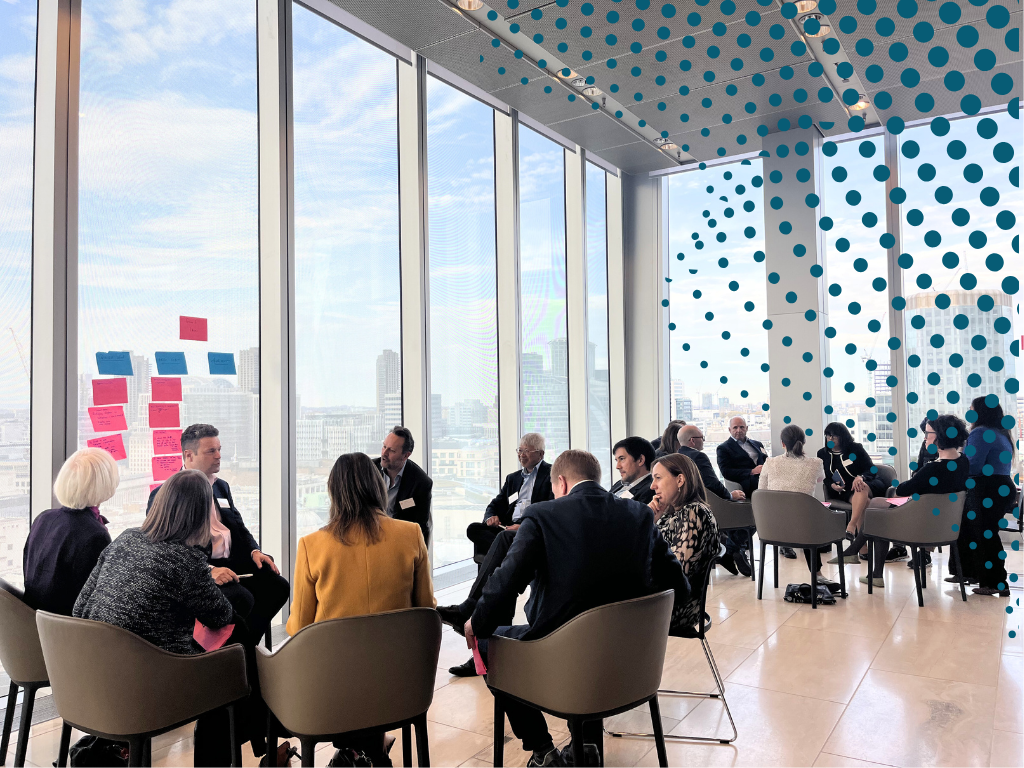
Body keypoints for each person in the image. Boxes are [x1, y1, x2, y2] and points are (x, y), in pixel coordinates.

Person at [463, 450, 688, 767]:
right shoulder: (639, 516)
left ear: (562, 482)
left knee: (489, 643)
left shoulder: (543, 515)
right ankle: (588, 747)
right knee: (588, 630)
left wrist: (477, 623)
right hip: (633, 665)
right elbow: (678, 584)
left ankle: (543, 751)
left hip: (565, 666)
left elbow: (506, 582)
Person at [76, 470, 237, 766]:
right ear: (203, 514)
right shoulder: (186, 560)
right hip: (151, 686)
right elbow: (221, 616)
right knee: (234, 671)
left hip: (88, 678)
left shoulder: (125, 538)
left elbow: (79, 609)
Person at [288, 452, 435, 766]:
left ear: (333, 491)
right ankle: (369, 750)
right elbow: (426, 613)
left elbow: (299, 627)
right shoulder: (410, 535)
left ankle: (358, 752)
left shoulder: (311, 545)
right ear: (378, 488)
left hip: (334, 692)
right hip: (401, 686)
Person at [146, 424, 289, 647]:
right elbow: (166, 549)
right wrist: (209, 570)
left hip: (235, 563)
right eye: (211, 451)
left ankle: (243, 646)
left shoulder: (221, 487)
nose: (219, 456)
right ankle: (238, 652)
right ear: (189, 455)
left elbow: (238, 526)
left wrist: (254, 551)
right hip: (203, 569)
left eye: (219, 449)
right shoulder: (167, 494)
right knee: (241, 598)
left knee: (278, 585)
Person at [862, 414, 970, 588]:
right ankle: (857, 552)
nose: (925, 438)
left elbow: (903, 489)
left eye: (927, 434)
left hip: (921, 528)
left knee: (877, 516)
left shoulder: (933, 468)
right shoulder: (963, 462)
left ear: (940, 436)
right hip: (947, 528)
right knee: (876, 508)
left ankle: (871, 569)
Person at [23, 448, 116, 616]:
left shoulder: (43, 518)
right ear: (105, 483)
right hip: (68, 630)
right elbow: (95, 599)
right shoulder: (95, 534)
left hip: (35, 622)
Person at [757, 424, 838, 589]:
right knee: (809, 518)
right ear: (804, 442)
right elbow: (819, 480)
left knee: (805, 516)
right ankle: (817, 575)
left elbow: (761, 491)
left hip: (772, 529)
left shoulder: (769, 463)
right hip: (805, 530)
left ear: (782, 443)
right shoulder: (816, 463)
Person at [647, 453, 720, 630]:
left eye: (658, 478)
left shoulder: (693, 513)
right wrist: (651, 521)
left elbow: (680, 573)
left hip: (675, 607)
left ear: (680, 480)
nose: (652, 486)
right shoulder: (672, 512)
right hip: (667, 599)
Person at [956, 397, 1016, 597]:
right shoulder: (1001, 434)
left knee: (985, 537)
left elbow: (972, 465)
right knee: (988, 535)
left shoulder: (980, 433)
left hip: (987, 489)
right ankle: (985, 577)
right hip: (1002, 487)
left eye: (971, 409)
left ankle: (996, 583)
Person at [677, 425, 751, 576]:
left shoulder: (676, 457)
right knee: (752, 512)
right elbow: (712, 484)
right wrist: (731, 495)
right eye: (701, 438)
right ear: (692, 441)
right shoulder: (698, 456)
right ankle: (732, 550)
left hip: (690, 510)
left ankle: (730, 553)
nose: (703, 441)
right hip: (711, 509)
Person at [465, 433, 553, 562]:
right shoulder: (513, 478)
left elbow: (550, 510)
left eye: (527, 451)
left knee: (505, 539)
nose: (522, 454)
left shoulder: (551, 475)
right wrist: (491, 517)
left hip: (529, 530)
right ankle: (512, 553)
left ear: (541, 454)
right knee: (473, 528)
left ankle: (508, 553)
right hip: (507, 528)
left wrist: (524, 526)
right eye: (520, 450)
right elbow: (495, 504)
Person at [817, 422, 892, 565]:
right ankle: (862, 547)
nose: (830, 440)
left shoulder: (856, 449)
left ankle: (851, 526)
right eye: (828, 436)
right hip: (845, 491)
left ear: (842, 437)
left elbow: (871, 469)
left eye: (834, 436)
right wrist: (831, 485)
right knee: (865, 503)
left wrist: (860, 477)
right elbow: (825, 477)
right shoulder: (822, 453)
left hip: (868, 484)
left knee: (860, 487)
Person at [373, 426, 433, 546]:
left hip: (400, 542)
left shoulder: (421, 483)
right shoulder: (369, 469)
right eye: (384, 446)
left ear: (406, 455)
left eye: (392, 451)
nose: (384, 453)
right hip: (371, 537)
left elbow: (421, 527)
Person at [716, 416, 767, 497]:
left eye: (742, 427)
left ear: (746, 428)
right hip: (747, 481)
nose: (738, 430)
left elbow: (766, 460)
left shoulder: (757, 444)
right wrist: (751, 471)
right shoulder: (723, 448)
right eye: (735, 427)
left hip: (765, 475)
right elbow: (726, 472)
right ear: (730, 430)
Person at [609, 436, 656, 504]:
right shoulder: (619, 484)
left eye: (622, 459)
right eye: (617, 460)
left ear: (640, 460)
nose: (617, 466)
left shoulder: (650, 490)